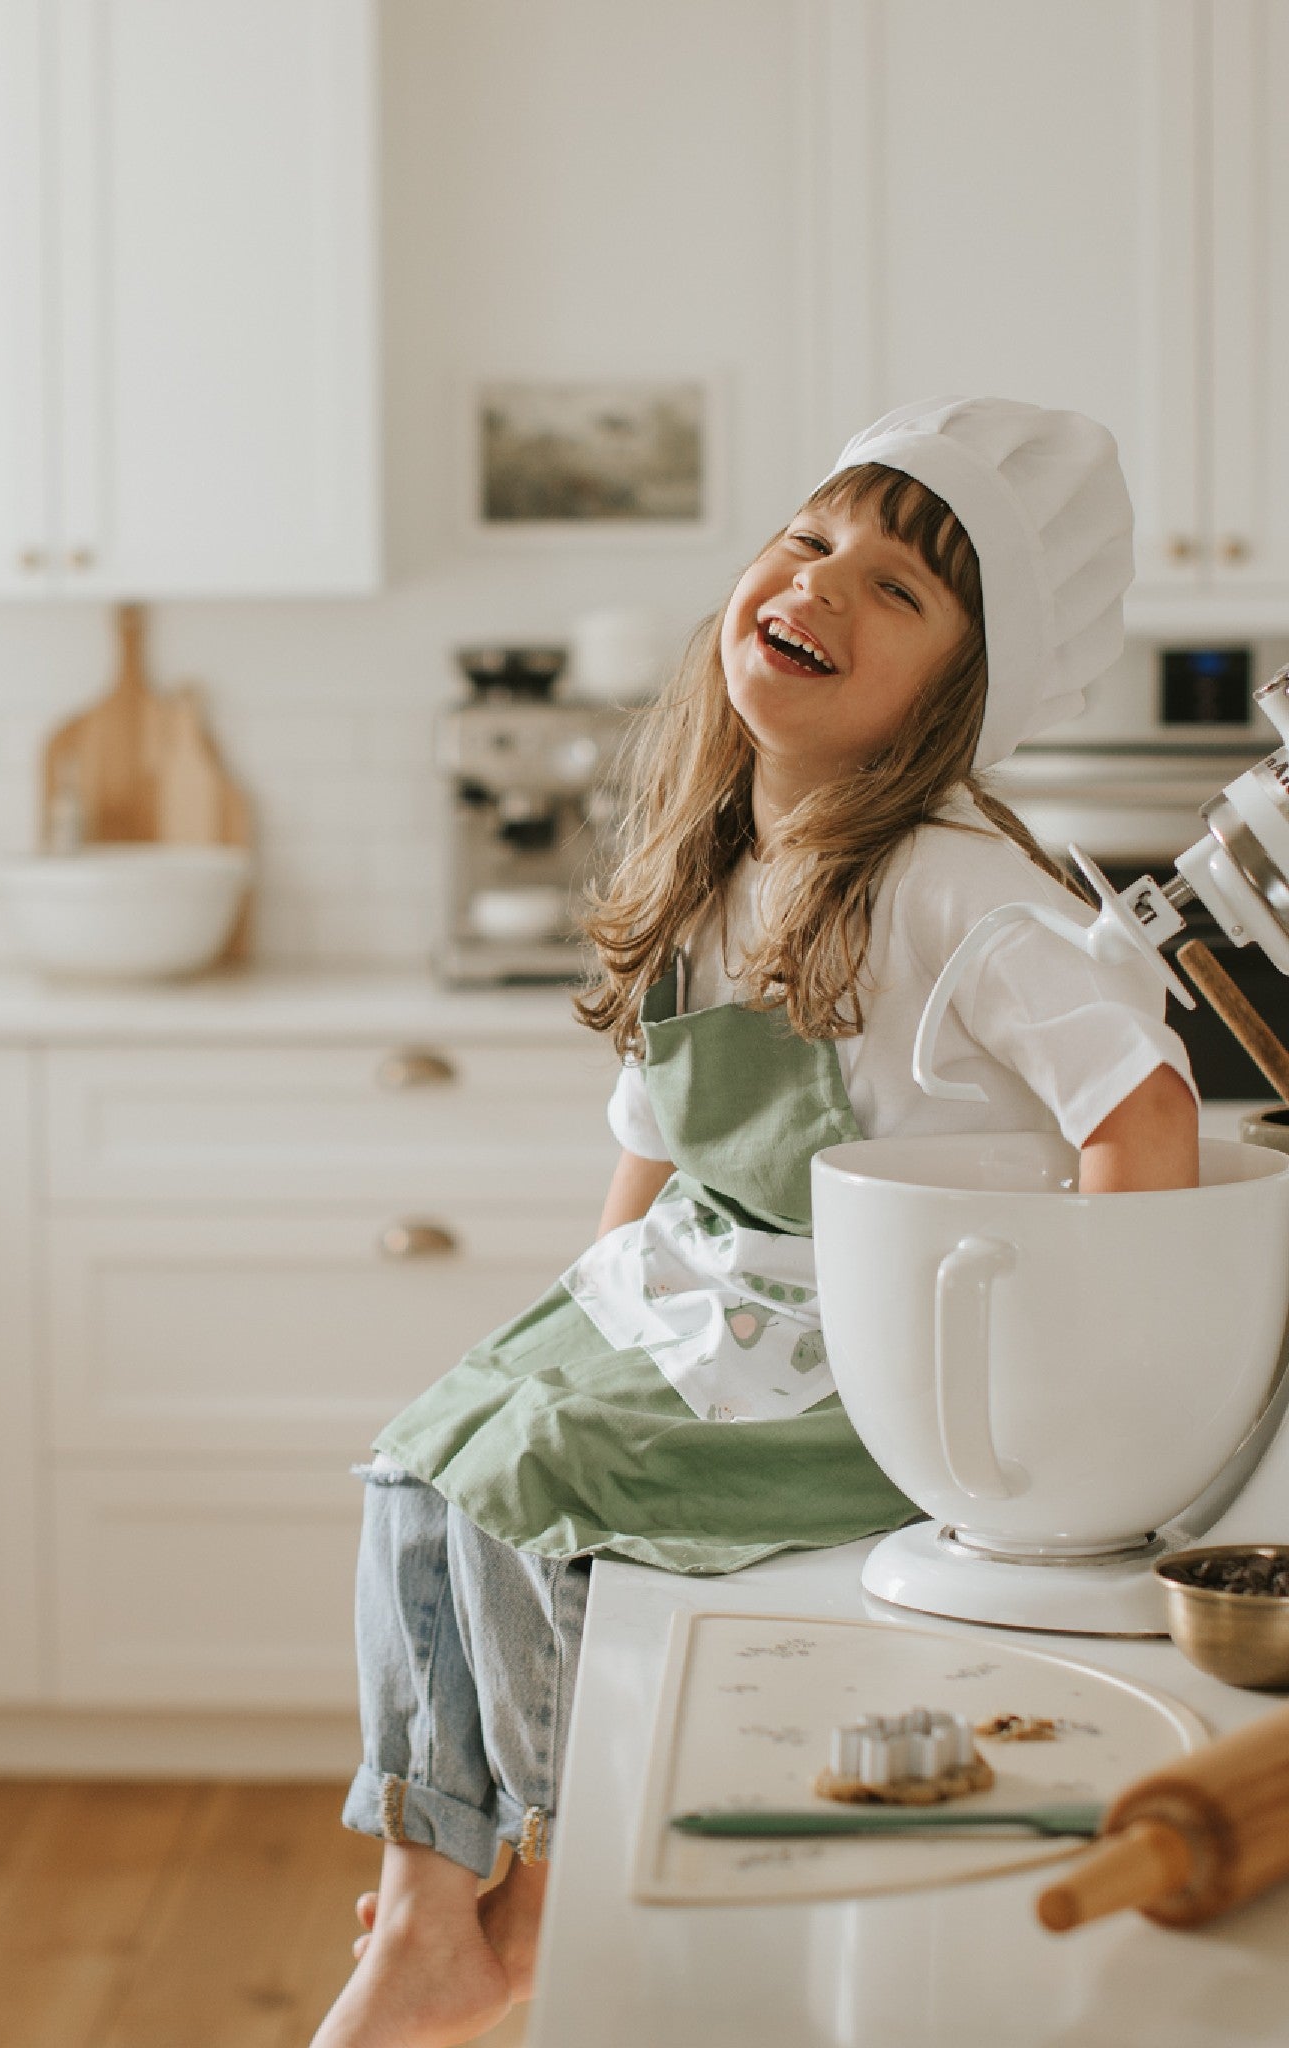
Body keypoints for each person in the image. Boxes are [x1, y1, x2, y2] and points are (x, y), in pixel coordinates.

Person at [309, 397, 1200, 2048]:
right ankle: (436, 1901)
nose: (826, 584)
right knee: (417, 1467)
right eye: (813, 540)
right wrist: (571, 1320)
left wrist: (1077, 1417)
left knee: (519, 1479)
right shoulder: (719, 860)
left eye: (902, 589)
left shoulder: (956, 886)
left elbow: (1140, 1111)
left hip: (871, 1360)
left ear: (961, 695)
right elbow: (654, 1140)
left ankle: (557, 1889)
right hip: (720, 1307)